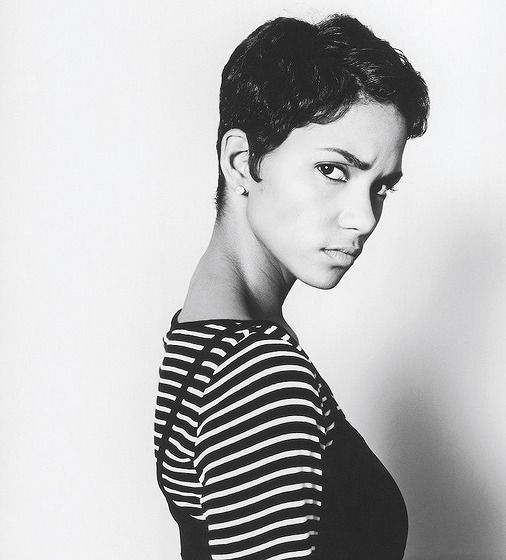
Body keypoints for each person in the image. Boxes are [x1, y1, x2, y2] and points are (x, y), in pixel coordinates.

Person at [154, 13, 429, 560]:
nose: (364, 218)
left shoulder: (205, 334)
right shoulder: (254, 374)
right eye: (334, 170)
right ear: (241, 162)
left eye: (381, 188)